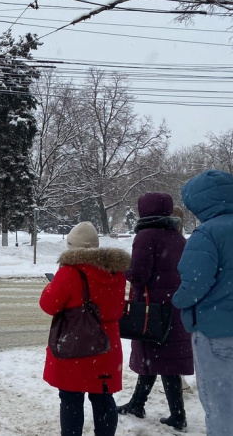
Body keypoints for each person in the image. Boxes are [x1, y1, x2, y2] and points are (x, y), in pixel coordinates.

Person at [40, 221, 131, 436]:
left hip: (76, 345)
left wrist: (52, 285)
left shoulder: (70, 272)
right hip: (106, 345)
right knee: (102, 396)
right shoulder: (115, 272)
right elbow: (117, 307)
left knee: (71, 397)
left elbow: (49, 305)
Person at [117, 192, 191, 432]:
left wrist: (125, 270)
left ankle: (176, 415)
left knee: (153, 357)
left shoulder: (145, 236)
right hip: (173, 307)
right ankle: (140, 403)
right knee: (163, 359)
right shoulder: (178, 237)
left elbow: (138, 275)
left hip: (151, 310)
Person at [173, 170, 233, 436]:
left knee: (222, 409)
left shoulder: (208, 233)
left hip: (216, 333)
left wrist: (177, 300)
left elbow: (194, 284)